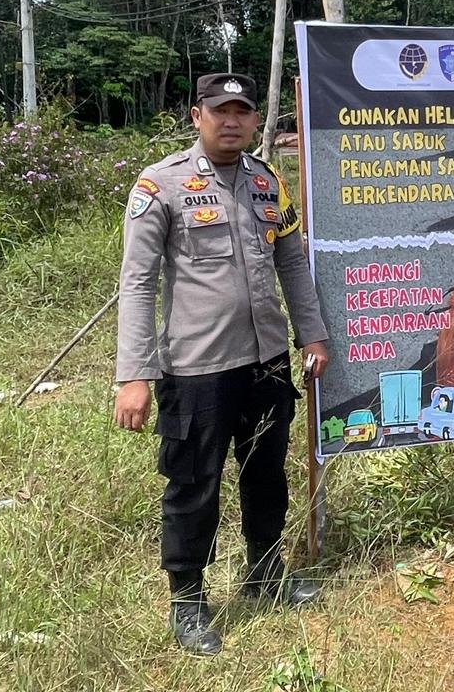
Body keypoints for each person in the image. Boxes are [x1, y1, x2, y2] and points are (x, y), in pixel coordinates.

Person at [114, 73, 330, 655]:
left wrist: (312, 336)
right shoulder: (161, 187)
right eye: (220, 110)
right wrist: (134, 374)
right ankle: (188, 602)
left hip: (265, 361)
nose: (231, 120)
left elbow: (292, 265)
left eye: (242, 111)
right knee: (193, 485)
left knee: (266, 476)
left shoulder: (267, 183)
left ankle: (265, 572)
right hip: (197, 368)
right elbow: (136, 283)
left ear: (256, 119)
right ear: (196, 116)